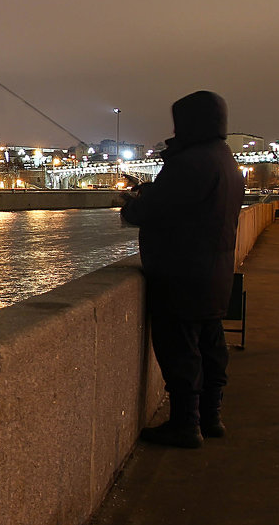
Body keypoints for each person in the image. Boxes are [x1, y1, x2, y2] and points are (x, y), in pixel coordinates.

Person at [119, 90, 245, 449]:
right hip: (214, 273)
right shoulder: (225, 160)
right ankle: (211, 417)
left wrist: (132, 203)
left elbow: (149, 212)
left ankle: (185, 425)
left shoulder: (189, 162)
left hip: (180, 275)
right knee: (211, 345)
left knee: (180, 352)